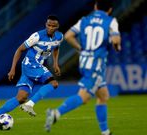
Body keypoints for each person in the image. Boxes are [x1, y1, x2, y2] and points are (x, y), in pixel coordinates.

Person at [45, 0, 121, 135]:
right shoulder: (111, 21)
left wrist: (81, 49)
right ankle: (56, 113)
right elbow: (115, 40)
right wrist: (117, 46)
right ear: (109, 10)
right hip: (96, 65)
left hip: (85, 61)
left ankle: (105, 132)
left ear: (95, 7)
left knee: (103, 95)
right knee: (84, 97)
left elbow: (68, 36)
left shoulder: (85, 20)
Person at [0, 15, 63, 117]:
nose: (50, 27)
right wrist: (12, 68)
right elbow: (20, 49)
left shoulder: (59, 37)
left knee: (21, 97)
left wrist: (55, 63)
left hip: (32, 66)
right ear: (45, 24)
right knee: (53, 83)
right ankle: (29, 104)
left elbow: (56, 48)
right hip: (31, 64)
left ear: (57, 27)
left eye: (53, 26)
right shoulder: (36, 36)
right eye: (48, 25)